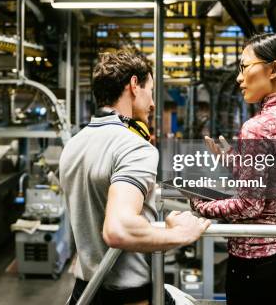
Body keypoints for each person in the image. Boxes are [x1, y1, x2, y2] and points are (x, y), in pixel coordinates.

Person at [60, 51, 210, 305]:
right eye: (150, 91)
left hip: (86, 292)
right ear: (133, 85)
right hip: (129, 297)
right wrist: (182, 234)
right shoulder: (135, 147)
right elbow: (119, 229)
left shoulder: (74, 145)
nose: (152, 104)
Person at [191, 33, 276, 305]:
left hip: (256, 270)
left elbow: (250, 205)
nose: (239, 78)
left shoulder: (258, 126)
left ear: (273, 69)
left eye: (244, 67)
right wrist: (234, 160)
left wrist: (200, 205)